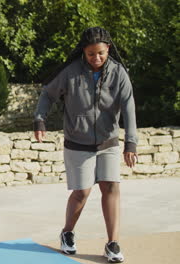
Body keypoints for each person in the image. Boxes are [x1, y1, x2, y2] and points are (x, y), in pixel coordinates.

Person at [33, 27, 137, 263]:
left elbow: (129, 107)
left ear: (108, 49)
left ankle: (112, 243)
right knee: (82, 192)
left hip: (108, 141)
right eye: (91, 54)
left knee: (111, 188)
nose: (96, 58)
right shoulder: (71, 72)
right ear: (84, 51)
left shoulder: (119, 73)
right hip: (77, 142)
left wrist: (130, 143)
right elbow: (48, 93)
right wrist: (40, 119)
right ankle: (68, 232)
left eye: (100, 53)